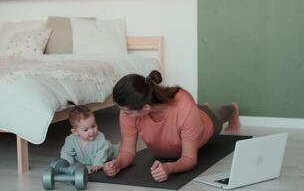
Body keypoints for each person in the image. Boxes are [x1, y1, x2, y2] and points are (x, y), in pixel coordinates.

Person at [103, 70, 240, 182]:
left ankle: (233, 109)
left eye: (127, 111)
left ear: (145, 108)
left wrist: (170, 168)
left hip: (204, 123)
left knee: (218, 115)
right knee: (197, 111)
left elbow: (189, 159)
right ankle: (203, 107)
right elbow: (127, 151)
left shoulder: (184, 105)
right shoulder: (128, 109)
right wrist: (118, 164)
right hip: (189, 115)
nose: (123, 114)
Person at [60, 103, 118, 174]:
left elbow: (102, 152)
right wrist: (68, 165)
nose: (91, 131)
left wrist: (97, 164)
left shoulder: (100, 137)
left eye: (93, 126)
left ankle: (120, 146)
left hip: (108, 151)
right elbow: (66, 153)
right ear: (75, 132)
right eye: (86, 130)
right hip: (87, 161)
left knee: (116, 150)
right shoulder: (71, 140)